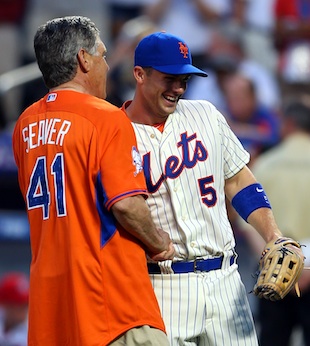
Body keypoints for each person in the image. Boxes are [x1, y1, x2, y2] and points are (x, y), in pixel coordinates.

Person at [122, 31, 303, 345]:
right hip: (161, 285)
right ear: (140, 74)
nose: (178, 88)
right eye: (169, 78)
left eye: (184, 79)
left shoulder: (205, 114)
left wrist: (272, 234)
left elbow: (238, 179)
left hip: (224, 280)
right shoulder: (115, 131)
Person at [12, 16, 175, 346]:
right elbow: (127, 205)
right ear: (83, 60)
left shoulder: (24, 125)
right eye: (101, 55)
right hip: (111, 304)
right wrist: (159, 242)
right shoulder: (105, 116)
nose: (105, 64)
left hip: (53, 310)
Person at [244, 96, 310, 346]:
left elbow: (246, 222)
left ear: (289, 124)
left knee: (273, 340)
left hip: (273, 270)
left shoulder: (265, 165)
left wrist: (272, 260)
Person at [0, 271, 29, 346]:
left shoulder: (31, 334)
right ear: (6, 305)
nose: (23, 310)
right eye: (18, 305)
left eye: (25, 305)